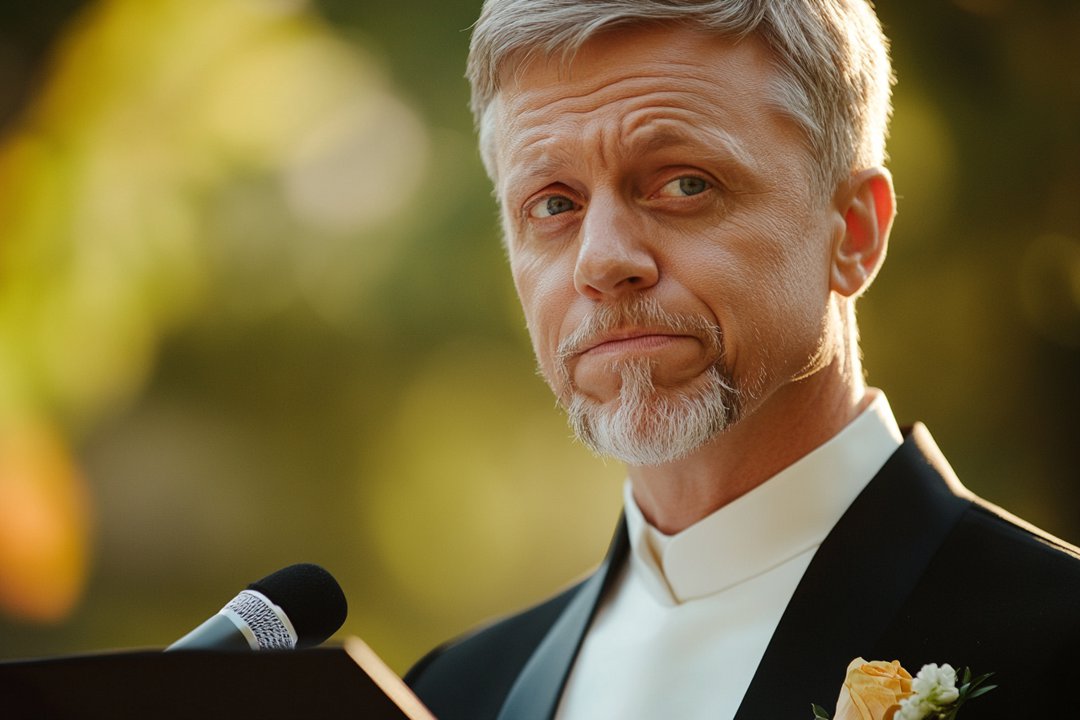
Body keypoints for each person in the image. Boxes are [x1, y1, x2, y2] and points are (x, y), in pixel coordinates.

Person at [404, 2, 1080, 718]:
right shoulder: (449, 695)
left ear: (854, 230)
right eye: (552, 204)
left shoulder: (1057, 644)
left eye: (684, 183)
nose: (601, 260)